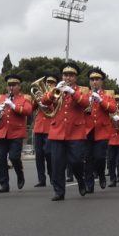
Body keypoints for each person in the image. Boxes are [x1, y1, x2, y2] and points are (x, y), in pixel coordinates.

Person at [41, 62, 91, 201]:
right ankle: (59, 191)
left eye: (71, 75)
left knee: (76, 161)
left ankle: (80, 180)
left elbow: (86, 103)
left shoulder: (82, 90)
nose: (68, 77)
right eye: (65, 75)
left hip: (75, 131)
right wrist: (54, 91)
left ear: (76, 77)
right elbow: (44, 101)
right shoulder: (56, 89)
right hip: (57, 130)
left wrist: (72, 92)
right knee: (57, 163)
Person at [0, 74, 33, 193]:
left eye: (14, 85)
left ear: (19, 86)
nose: (11, 87)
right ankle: (4, 185)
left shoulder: (25, 98)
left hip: (16, 133)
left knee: (14, 157)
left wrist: (13, 105)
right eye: (9, 85)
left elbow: (28, 110)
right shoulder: (0, 98)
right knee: (1, 159)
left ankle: (20, 174)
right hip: (2, 132)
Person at [83, 68, 117, 193]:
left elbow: (113, 109)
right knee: (87, 158)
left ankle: (101, 174)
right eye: (92, 79)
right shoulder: (84, 95)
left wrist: (101, 100)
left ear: (102, 81)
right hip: (87, 130)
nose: (94, 82)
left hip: (102, 130)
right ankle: (89, 184)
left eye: (97, 79)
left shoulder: (107, 95)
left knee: (99, 158)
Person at [31, 74, 58, 187]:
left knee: (49, 153)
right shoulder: (40, 94)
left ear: (55, 84)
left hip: (50, 127)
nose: (48, 84)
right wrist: (36, 101)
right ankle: (41, 179)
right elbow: (31, 109)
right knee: (39, 155)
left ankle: (52, 177)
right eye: (47, 82)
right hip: (38, 127)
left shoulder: (57, 95)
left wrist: (47, 102)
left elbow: (55, 109)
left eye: (51, 82)